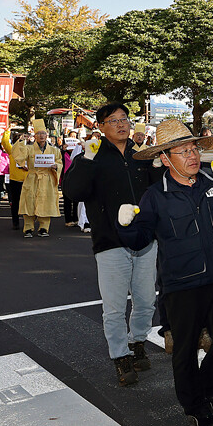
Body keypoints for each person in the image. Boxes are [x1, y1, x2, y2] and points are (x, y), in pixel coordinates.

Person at [120, 118, 213, 426]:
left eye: (194, 149)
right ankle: (194, 404)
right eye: (184, 151)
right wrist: (125, 225)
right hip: (182, 284)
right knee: (186, 348)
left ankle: (206, 387)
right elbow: (139, 240)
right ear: (165, 159)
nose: (193, 156)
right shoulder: (155, 195)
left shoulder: (212, 182)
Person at [63, 103, 159, 387]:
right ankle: (120, 356)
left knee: (146, 301)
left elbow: (157, 191)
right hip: (109, 241)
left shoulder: (140, 155)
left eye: (124, 119)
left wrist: (156, 166)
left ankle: (137, 342)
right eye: (113, 120)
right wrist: (86, 160)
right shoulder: (93, 155)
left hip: (145, 238)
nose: (121, 124)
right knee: (115, 307)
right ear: (101, 126)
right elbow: (73, 191)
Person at [15, 120, 60, 237]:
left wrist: (56, 166)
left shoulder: (54, 150)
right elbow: (19, 157)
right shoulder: (29, 148)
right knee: (29, 202)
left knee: (46, 202)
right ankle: (28, 228)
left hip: (47, 178)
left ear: (47, 135)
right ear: (34, 136)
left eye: (43, 133)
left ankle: (44, 228)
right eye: (38, 133)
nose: (41, 136)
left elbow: (59, 162)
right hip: (32, 177)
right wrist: (21, 141)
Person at [1, 129, 29, 229]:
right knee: (15, 202)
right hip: (15, 180)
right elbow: (4, 142)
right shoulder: (12, 150)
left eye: (24, 139)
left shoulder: (30, 150)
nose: (22, 141)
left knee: (28, 202)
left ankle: (28, 223)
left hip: (28, 180)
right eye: (20, 139)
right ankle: (15, 222)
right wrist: (7, 130)